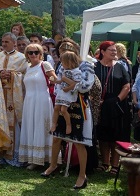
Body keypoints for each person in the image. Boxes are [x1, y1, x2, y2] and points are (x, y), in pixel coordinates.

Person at [41, 38, 95, 190]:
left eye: (68, 48)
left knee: (78, 141)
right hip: (63, 101)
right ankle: (53, 165)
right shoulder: (62, 64)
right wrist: (61, 89)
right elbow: (59, 82)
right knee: (57, 136)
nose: (65, 51)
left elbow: (85, 86)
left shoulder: (86, 65)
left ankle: (82, 175)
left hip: (78, 104)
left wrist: (69, 86)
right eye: (62, 49)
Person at [0, 32, 27, 166]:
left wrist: (12, 75)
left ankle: (13, 155)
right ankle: (0, 154)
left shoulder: (22, 58)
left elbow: (26, 77)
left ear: (14, 43)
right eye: (3, 42)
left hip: (14, 98)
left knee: (14, 125)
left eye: (7, 42)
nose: (4, 44)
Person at [94, 41, 130, 175]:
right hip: (100, 106)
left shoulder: (120, 66)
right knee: (103, 135)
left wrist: (117, 99)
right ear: (103, 52)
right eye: (111, 50)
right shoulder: (94, 66)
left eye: (115, 50)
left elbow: (127, 86)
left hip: (116, 106)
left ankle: (115, 165)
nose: (114, 52)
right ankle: (105, 162)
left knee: (116, 135)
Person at [18, 43, 55, 170]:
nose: (33, 55)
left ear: (41, 54)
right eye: (30, 52)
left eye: (36, 52)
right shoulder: (28, 68)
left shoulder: (45, 65)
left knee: (41, 126)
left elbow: (55, 80)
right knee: (31, 126)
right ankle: (33, 158)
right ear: (27, 55)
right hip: (29, 101)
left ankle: (49, 159)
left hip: (42, 100)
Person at [51, 52, 82, 135]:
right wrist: (55, 81)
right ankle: (54, 123)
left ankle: (68, 125)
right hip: (62, 91)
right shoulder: (64, 70)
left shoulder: (76, 72)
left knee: (63, 109)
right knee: (56, 108)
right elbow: (61, 80)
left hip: (68, 93)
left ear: (69, 62)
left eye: (63, 62)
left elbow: (76, 83)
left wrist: (68, 88)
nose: (62, 64)